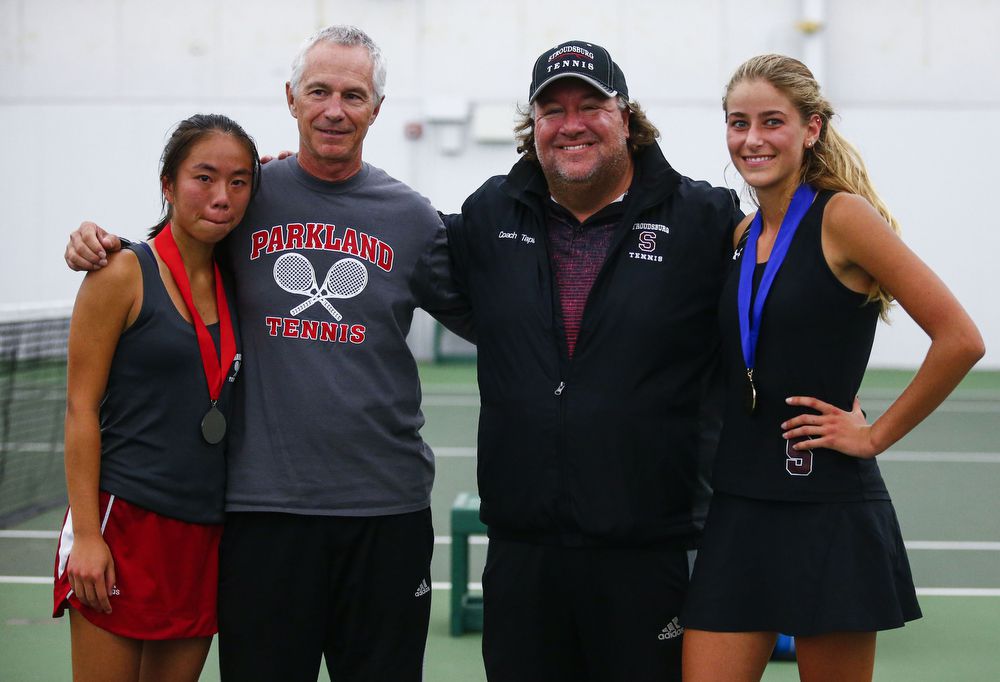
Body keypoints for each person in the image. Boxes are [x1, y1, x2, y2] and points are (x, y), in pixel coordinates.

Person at [63, 26, 471, 682]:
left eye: (353, 94)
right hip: (261, 516)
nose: (334, 108)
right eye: (318, 91)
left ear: (376, 108)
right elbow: (178, 239)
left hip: (387, 514)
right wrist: (94, 241)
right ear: (291, 98)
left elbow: (495, 320)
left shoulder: (414, 219)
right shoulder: (250, 196)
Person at [681, 54, 985, 682]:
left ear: (811, 128)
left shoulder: (843, 218)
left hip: (826, 504)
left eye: (772, 121)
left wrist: (873, 435)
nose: (753, 139)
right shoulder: (741, 235)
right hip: (738, 503)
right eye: (738, 123)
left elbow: (960, 339)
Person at [445, 41, 743, 682]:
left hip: (651, 547)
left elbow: (789, 282)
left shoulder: (704, 220)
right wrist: (293, 193)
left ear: (626, 118)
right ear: (533, 126)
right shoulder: (488, 213)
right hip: (524, 548)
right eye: (553, 109)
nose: (571, 123)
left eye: (591, 105)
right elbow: (393, 248)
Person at [53, 114, 259, 682]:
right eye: (204, 177)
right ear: (167, 185)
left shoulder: (240, 279)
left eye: (239, 181)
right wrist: (89, 537)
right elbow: (79, 410)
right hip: (122, 526)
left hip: (201, 534)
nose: (221, 196)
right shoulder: (120, 272)